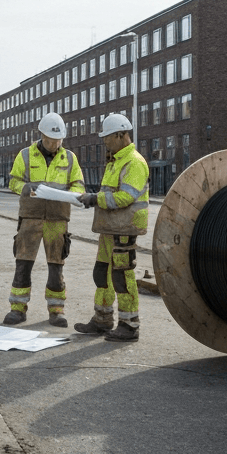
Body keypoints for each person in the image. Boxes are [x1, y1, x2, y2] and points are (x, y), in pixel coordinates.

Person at [73, 113, 150, 342]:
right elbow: (110, 194)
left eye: (107, 137)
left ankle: (129, 325)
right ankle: (102, 319)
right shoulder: (115, 161)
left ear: (121, 135)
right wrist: (94, 198)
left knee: (122, 276)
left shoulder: (134, 162)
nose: (104, 141)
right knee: (102, 273)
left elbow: (126, 197)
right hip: (110, 228)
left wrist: (95, 199)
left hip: (125, 229)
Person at [5, 112, 84, 328]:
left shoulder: (69, 158)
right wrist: (26, 188)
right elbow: (13, 182)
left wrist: (75, 195)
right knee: (23, 263)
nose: (54, 144)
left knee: (56, 266)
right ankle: (17, 308)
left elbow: (78, 184)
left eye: (58, 140)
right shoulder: (25, 155)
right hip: (30, 217)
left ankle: (56, 310)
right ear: (41, 136)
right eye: (50, 140)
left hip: (57, 219)